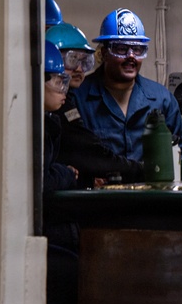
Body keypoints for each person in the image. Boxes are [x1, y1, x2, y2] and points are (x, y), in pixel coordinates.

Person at [72, 8, 182, 161]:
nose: (131, 56)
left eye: (137, 49)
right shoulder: (79, 98)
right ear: (104, 53)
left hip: (152, 185)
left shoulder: (161, 99)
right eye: (121, 49)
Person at [46, 21, 144, 186]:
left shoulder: (65, 102)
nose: (79, 69)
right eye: (72, 60)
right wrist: (141, 170)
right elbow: (87, 152)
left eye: (85, 62)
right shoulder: (57, 107)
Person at [41, 40, 80, 304]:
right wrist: (65, 174)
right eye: (57, 81)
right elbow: (39, 180)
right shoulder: (37, 127)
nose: (63, 90)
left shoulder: (48, 122)